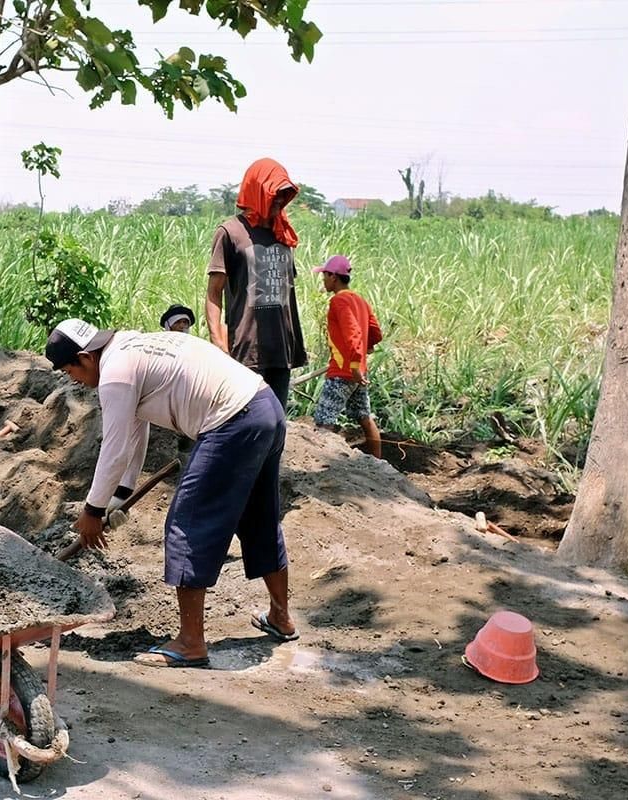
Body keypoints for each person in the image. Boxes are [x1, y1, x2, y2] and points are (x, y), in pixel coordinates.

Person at [47, 318, 297, 669]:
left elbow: (115, 448)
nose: (75, 381)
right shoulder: (130, 347)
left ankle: (191, 643)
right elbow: (135, 431)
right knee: (258, 517)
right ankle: (281, 617)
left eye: (71, 372)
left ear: (86, 358)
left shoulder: (115, 373)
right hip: (264, 407)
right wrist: (120, 496)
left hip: (232, 421)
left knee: (188, 524)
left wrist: (92, 510)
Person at [204, 157, 308, 410]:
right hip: (246, 349)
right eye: (276, 195)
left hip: (281, 349)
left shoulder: (283, 234)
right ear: (257, 192)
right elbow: (214, 293)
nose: (281, 202)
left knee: (275, 423)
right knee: (246, 421)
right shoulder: (230, 233)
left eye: (285, 195)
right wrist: (218, 342)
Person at [312, 255, 384, 459]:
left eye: (325, 276)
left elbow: (353, 332)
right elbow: (375, 332)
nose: (323, 280)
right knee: (365, 418)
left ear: (333, 277)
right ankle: (378, 463)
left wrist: (353, 364)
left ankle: (323, 464)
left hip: (343, 372)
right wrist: (365, 351)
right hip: (358, 372)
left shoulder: (339, 301)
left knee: (323, 422)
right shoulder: (360, 301)